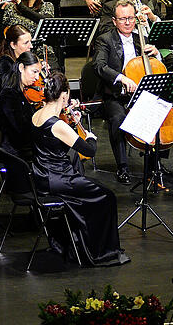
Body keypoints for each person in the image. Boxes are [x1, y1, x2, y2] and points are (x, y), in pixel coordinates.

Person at [31, 70, 129, 266]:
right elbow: (89, 150)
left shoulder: (37, 114)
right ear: (64, 95)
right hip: (59, 179)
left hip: (41, 174)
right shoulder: (58, 125)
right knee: (106, 196)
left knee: (90, 193)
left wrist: (72, 119)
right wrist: (90, 135)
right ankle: (100, 250)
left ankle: (78, 242)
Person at [93, 0, 162, 183]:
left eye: (131, 18)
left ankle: (154, 166)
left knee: (159, 113)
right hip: (115, 95)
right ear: (115, 21)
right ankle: (123, 167)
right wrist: (121, 77)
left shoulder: (142, 38)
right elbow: (98, 66)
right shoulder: (105, 39)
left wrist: (157, 54)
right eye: (123, 19)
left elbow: (155, 67)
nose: (127, 22)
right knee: (118, 119)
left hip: (140, 95)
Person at [1, 0, 59, 70]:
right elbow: (1, 33)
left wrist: (21, 7)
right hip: (18, 54)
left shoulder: (47, 6)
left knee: (55, 75)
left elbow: (44, 21)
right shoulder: (11, 7)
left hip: (42, 53)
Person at [0, 50, 42, 162]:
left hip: (23, 146)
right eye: (34, 72)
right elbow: (21, 131)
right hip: (17, 152)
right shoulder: (9, 95)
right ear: (21, 67)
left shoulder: (20, 91)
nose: (37, 77)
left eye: (38, 73)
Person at [0, 25, 33, 91]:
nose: (31, 46)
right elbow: (9, 89)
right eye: (26, 43)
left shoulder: (24, 58)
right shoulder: (4, 63)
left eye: (30, 41)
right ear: (13, 45)